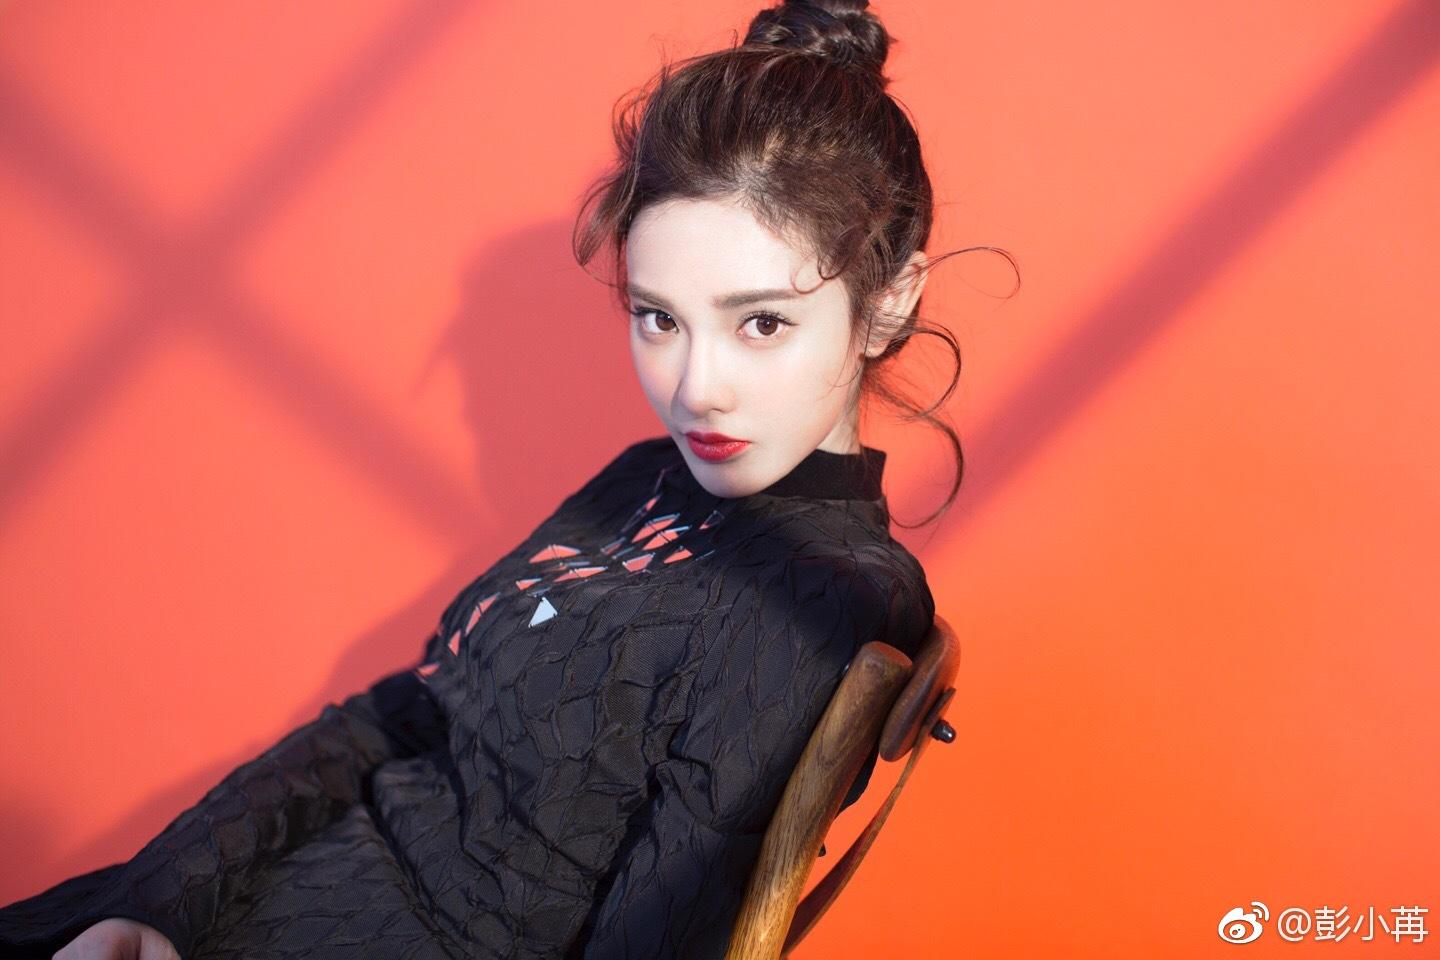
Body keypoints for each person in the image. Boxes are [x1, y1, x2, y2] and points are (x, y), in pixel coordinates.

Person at [0, 0, 970, 956]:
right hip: (252, 891)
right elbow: (398, 716)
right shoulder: (652, 481)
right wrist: (158, 906)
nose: (694, 389)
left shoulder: (817, 597)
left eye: (761, 323)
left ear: (888, 305)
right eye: (658, 318)